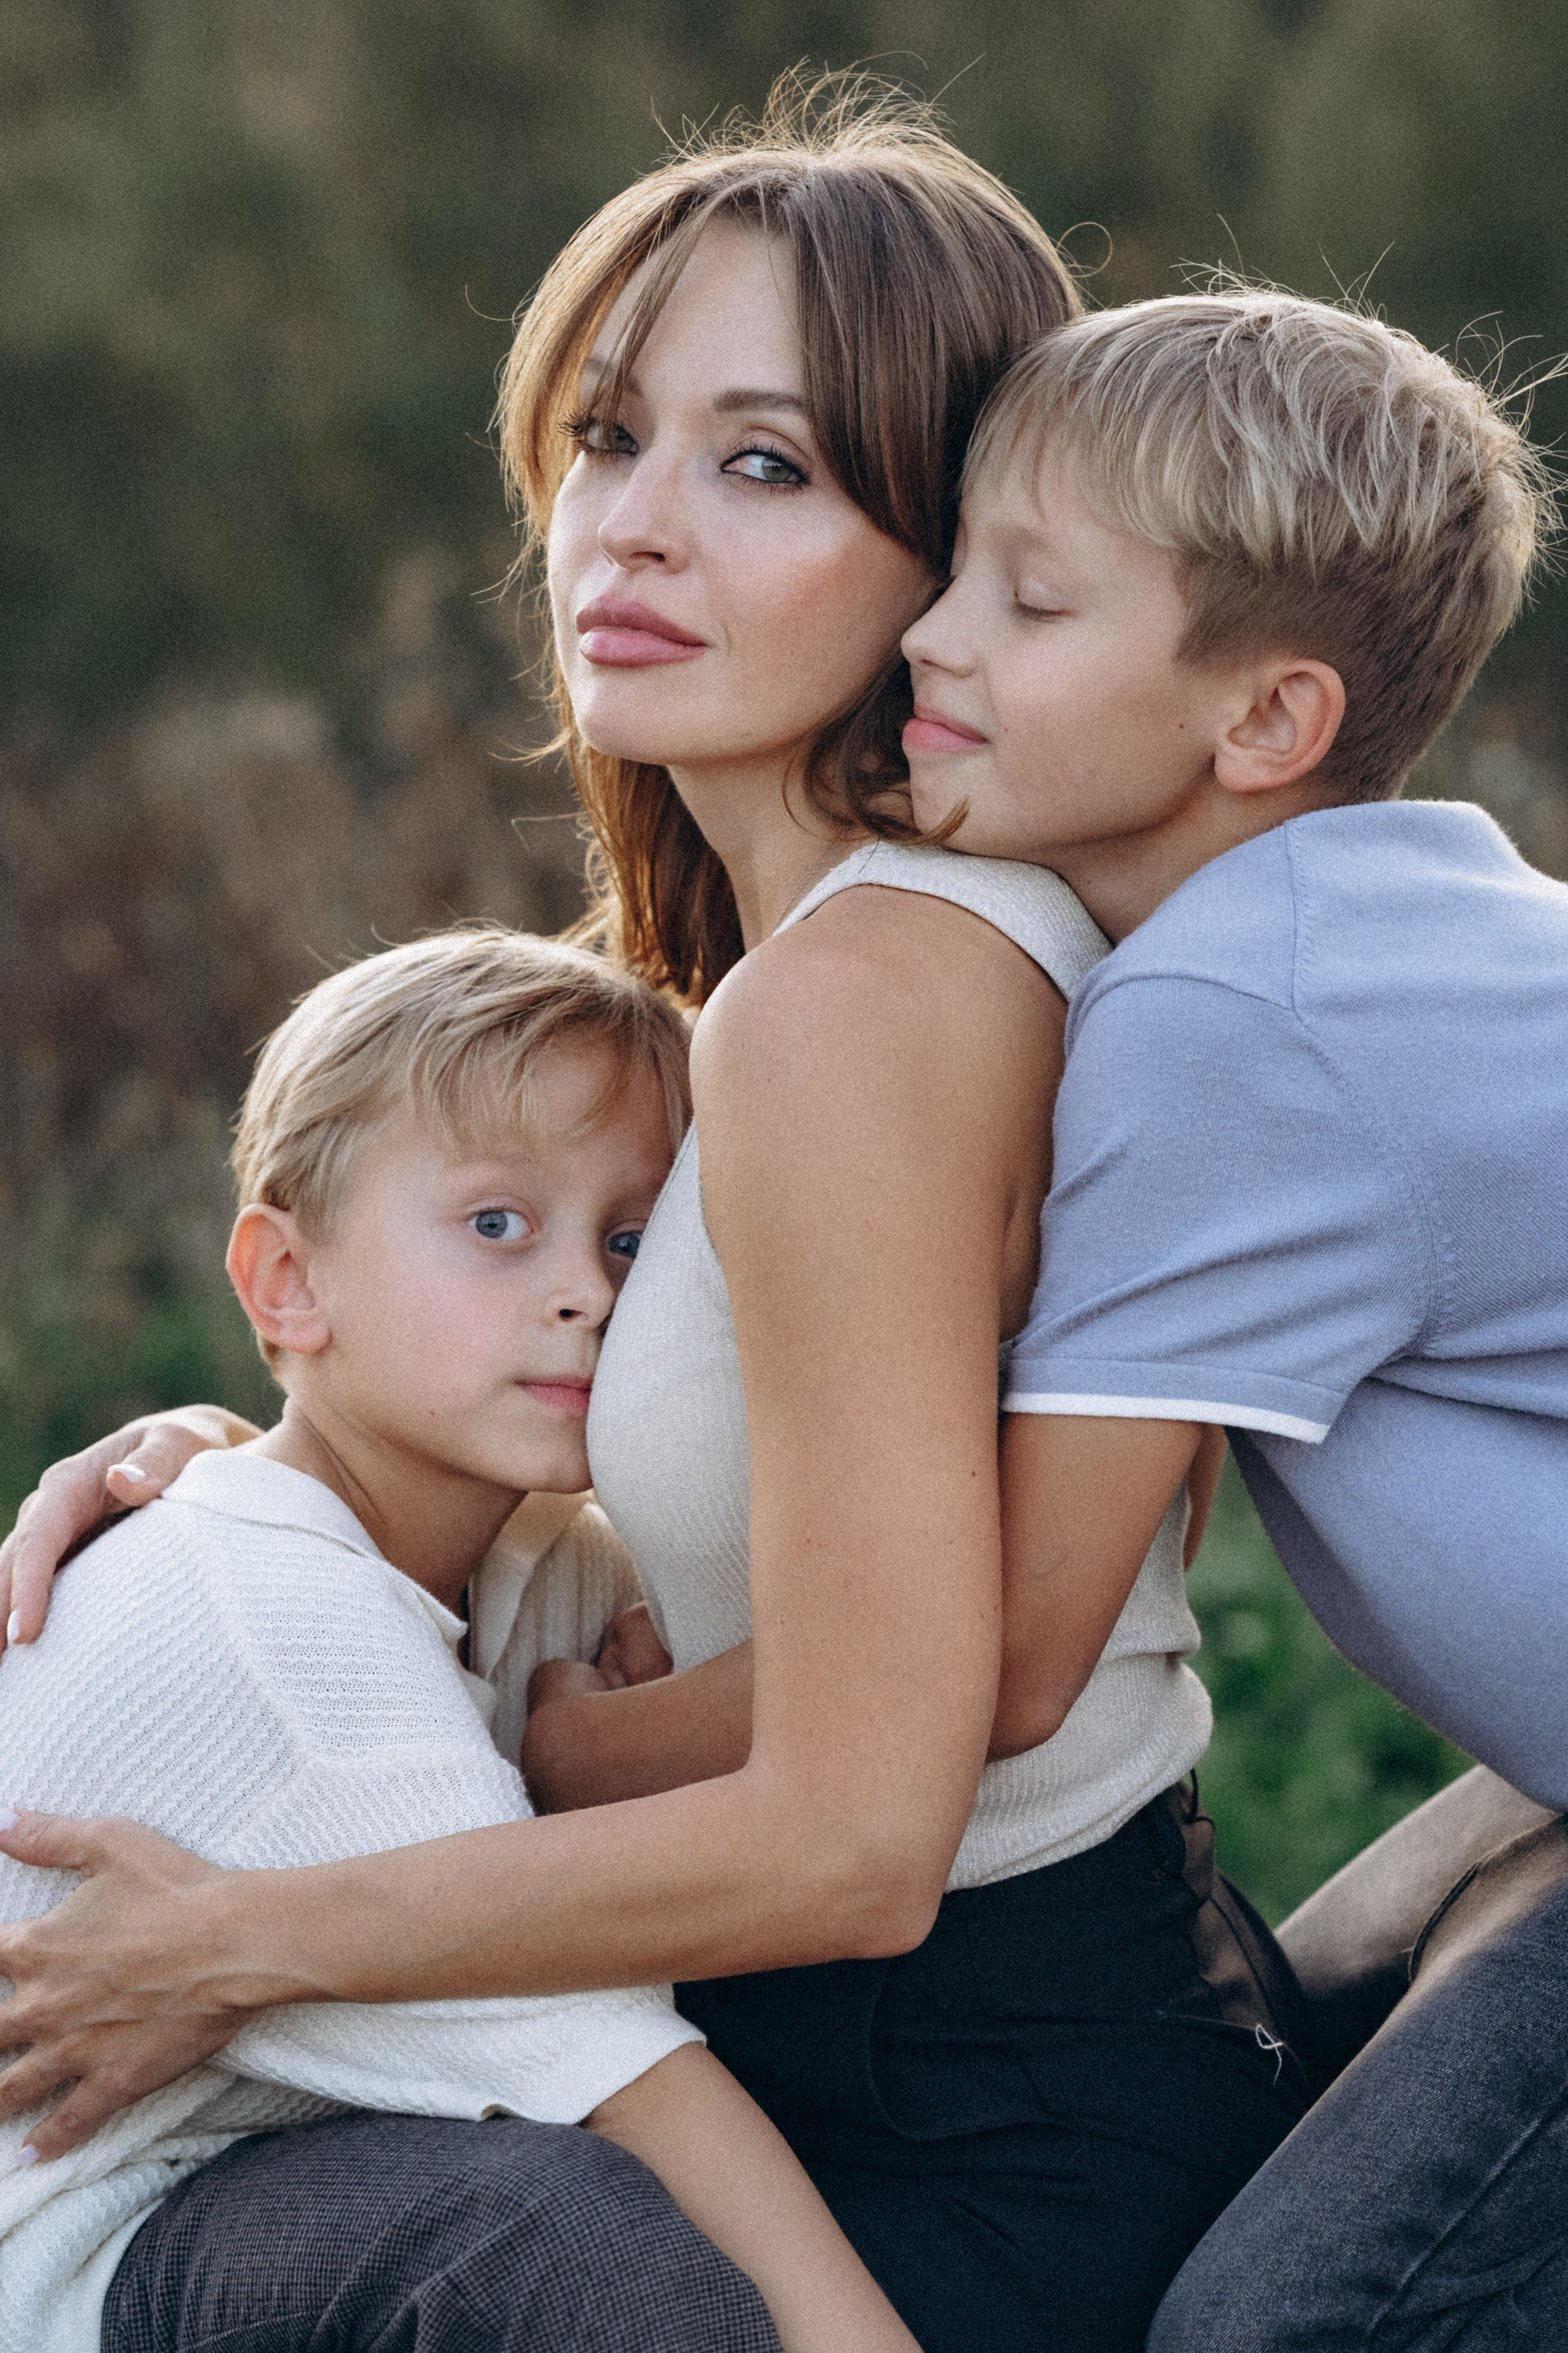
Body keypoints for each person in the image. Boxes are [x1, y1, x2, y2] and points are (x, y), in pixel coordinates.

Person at [0, 83, 1302, 2353]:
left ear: (963, 547)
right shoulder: (803, 984)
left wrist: (243, 1935)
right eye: (610, 438)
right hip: (966, 2048)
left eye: (767, 463)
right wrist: (275, 1479)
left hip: (954, 2121)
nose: (638, 528)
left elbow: (860, 1830)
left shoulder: (865, 999)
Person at [893, 287, 1568, 2346]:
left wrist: (534, 1738)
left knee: (1283, 2324)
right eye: (949, 575)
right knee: (1283, 2038)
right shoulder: (1383, 930)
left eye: (1030, 601)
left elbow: (997, 1666)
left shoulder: (1233, 1018)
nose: (932, 637)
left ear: (1263, 722)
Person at [2, 924, 924, 2353]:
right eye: (498, 1224)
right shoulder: (281, 1618)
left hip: (247, 2187)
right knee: (555, 2233)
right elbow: (636, 2080)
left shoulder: (517, 1553)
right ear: (285, 1282)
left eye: (630, 1239)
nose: (587, 1290)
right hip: (71, 2265)